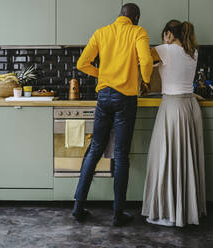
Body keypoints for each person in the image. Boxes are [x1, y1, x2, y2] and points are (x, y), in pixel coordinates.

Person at [72, 3, 153, 226]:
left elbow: (82, 63)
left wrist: (102, 74)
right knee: (121, 154)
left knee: (95, 149)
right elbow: (146, 61)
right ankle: (118, 213)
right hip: (125, 98)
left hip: (103, 97)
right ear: (135, 17)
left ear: (120, 15)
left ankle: (78, 206)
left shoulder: (101, 32)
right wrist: (145, 81)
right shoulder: (138, 32)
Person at [142, 20, 207, 227]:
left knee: (165, 157)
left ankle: (168, 214)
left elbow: (142, 57)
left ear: (169, 34)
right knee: (185, 159)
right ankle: (186, 211)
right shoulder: (193, 52)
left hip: (172, 107)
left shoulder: (166, 50)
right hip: (190, 105)